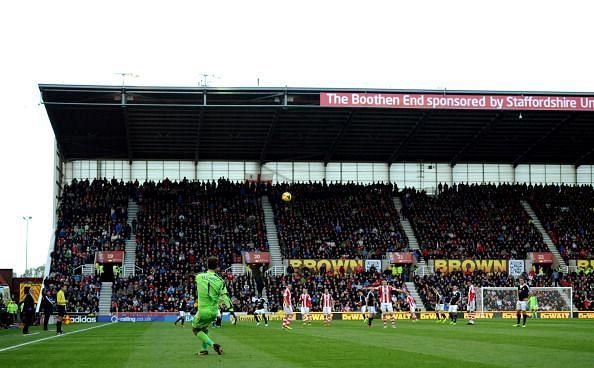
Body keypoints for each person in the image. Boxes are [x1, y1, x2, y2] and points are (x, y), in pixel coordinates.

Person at [192, 257, 228, 356]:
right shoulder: (220, 280)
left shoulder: (199, 277)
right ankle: (204, 350)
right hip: (214, 311)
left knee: (195, 329)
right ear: (217, 267)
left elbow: (196, 277)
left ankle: (213, 345)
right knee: (205, 329)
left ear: (206, 265)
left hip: (203, 310)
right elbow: (223, 295)